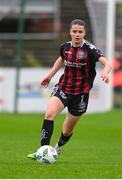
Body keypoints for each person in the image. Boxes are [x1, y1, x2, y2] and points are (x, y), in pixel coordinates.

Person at [28, 19, 111, 160]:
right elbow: (61, 59)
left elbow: (106, 62)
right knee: (49, 114)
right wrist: (49, 75)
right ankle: (41, 151)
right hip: (63, 88)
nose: (77, 34)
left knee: (67, 131)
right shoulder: (65, 47)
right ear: (70, 32)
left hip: (81, 95)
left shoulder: (90, 49)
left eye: (80, 32)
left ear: (84, 33)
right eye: (74, 31)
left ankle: (57, 148)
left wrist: (105, 71)